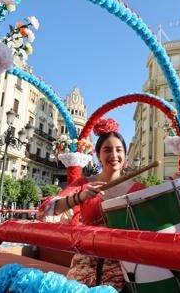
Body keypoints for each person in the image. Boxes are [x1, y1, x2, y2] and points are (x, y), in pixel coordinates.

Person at [38, 118, 145, 291]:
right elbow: (46, 211)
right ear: (98, 155)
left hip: (125, 269)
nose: (114, 155)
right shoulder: (84, 183)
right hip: (85, 265)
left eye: (119, 150)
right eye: (107, 150)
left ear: (125, 155)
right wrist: (80, 196)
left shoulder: (139, 188)